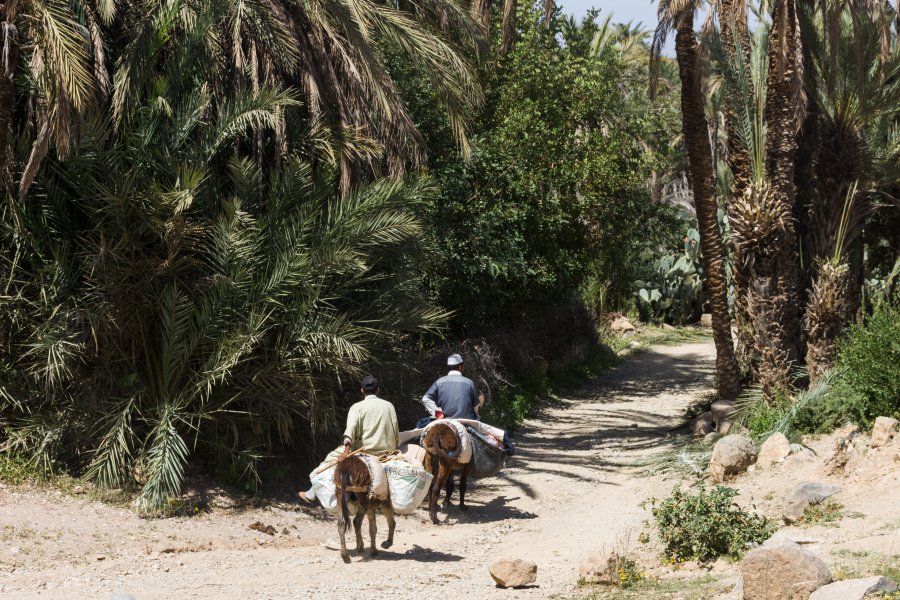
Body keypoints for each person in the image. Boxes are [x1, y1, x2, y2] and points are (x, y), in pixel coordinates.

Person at [298, 375, 398, 503]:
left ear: (362, 390)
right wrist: (394, 447)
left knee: (330, 459)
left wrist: (346, 451)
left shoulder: (357, 407)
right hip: (386, 452)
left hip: (365, 450)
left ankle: (311, 494)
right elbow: (395, 430)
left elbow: (350, 431)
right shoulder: (389, 406)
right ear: (378, 390)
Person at [420, 354, 485, 421]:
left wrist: (438, 413)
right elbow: (475, 407)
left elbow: (425, 399)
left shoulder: (439, 382)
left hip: (445, 421)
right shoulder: (470, 383)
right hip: (467, 421)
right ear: (460, 366)